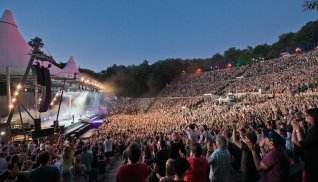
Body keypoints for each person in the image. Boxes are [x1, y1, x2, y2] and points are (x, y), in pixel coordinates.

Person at [291, 108, 318, 182]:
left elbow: (303, 144)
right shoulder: (312, 128)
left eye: (308, 115)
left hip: (314, 166)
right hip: (310, 163)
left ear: (314, 117)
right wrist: (296, 128)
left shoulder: (316, 130)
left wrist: (297, 130)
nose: (305, 116)